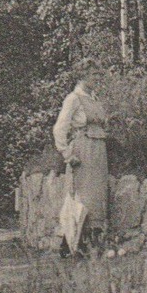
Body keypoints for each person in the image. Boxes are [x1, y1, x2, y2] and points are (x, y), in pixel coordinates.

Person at [52, 68, 110, 257]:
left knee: (96, 197)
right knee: (81, 196)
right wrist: (67, 154)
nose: (96, 79)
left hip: (98, 150)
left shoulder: (94, 99)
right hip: (82, 150)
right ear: (82, 76)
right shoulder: (73, 98)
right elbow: (60, 128)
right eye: (93, 75)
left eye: (97, 75)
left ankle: (89, 243)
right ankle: (69, 243)